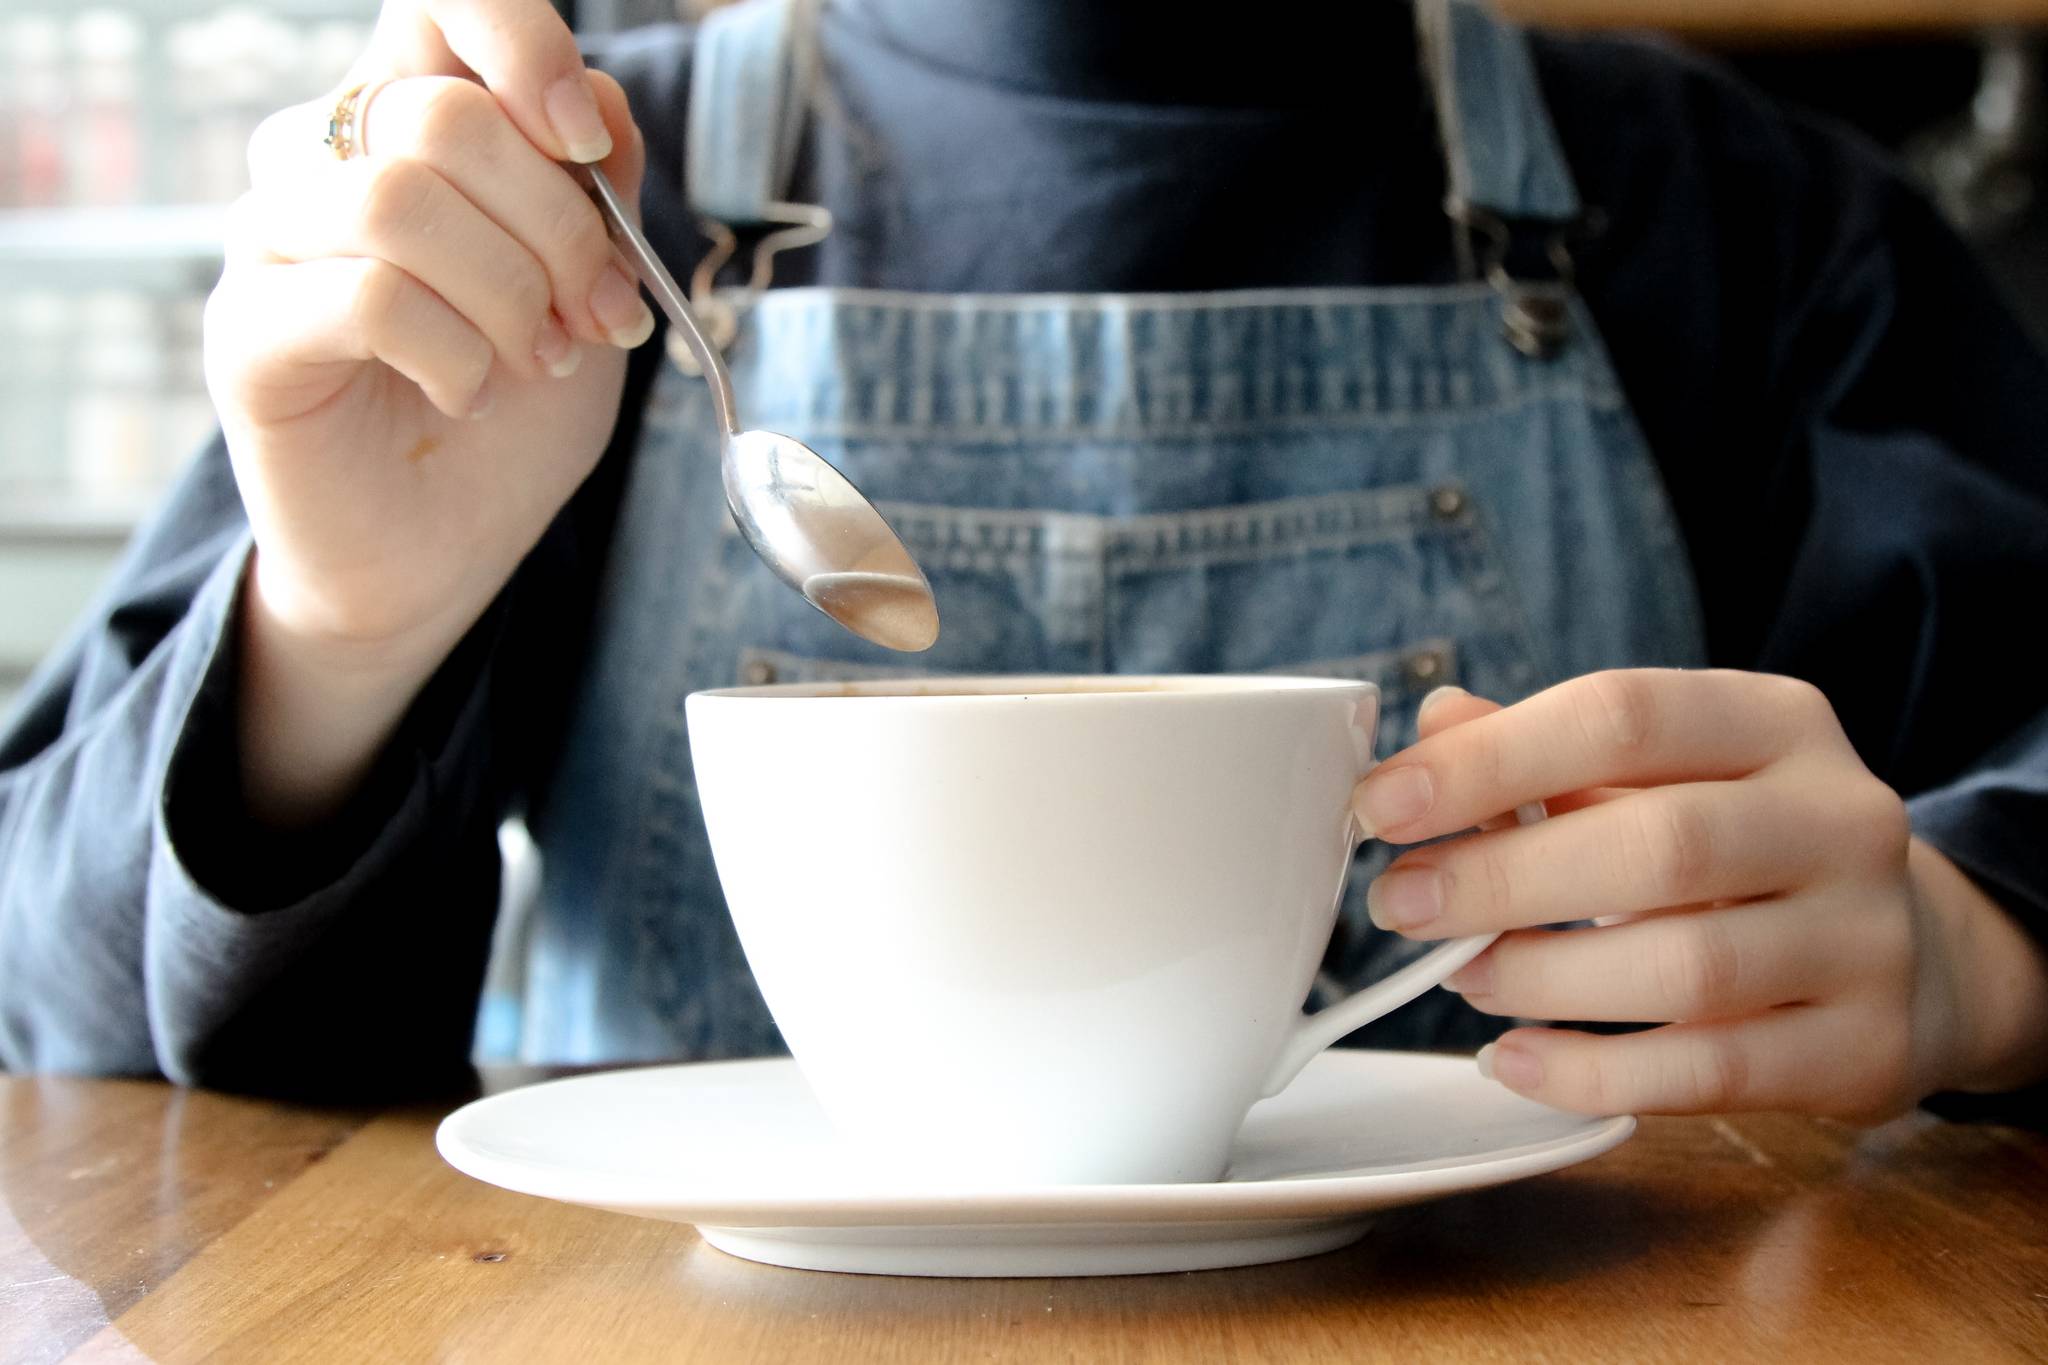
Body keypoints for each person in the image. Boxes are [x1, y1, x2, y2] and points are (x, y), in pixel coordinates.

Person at [1, 0, 2044, 1120]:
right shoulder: (549, 222)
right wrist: (341, 635)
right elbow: (56, 1013)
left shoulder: (1752, 228)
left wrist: (1982, 947)